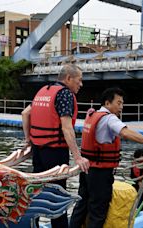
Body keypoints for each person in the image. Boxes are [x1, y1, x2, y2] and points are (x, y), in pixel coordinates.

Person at [69, 87, 143, 228]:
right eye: (119, 103)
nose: (121, 107)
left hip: (86, 170)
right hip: (100, 173)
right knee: (98, 211)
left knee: (82, 204)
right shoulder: (109, 118)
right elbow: (126, 133)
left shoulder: (92, 115)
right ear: (108, 103)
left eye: (122, 103)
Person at [21, 64, 90, 228]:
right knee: (58, 196)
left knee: (36, 193)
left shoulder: (43, 90)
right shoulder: (65, 94)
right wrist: (78, 157)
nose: (81, 84)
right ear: (68, 78)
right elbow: (67, 127)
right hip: (55, 152)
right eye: (79, 80)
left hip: (38, 150)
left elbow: (25, 114)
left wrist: (28, 140)